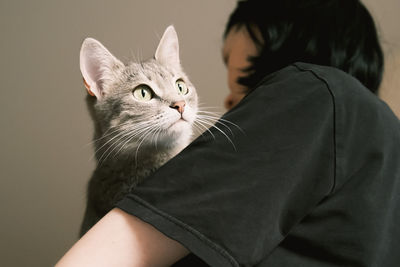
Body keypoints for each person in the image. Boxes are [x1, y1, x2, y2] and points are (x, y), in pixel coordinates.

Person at [57, 0, 400, 266]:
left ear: (271, 34)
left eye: (227, 61)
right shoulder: (382, 141)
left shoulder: (315, 92)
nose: (227, 96)